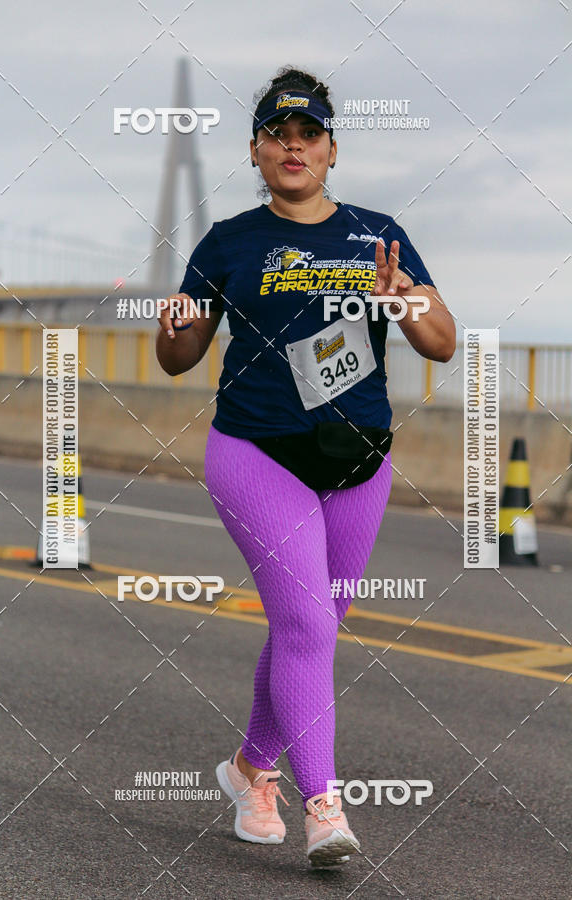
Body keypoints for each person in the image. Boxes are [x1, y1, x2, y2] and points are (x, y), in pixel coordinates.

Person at [155, 65, 455, 868]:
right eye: (278, 136)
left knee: (313, 627)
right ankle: (326, 810)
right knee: (308, 625)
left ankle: (249, 770)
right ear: (256, 152)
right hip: (256, 451)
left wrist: (404, 299)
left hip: (360, 460)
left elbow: (442, 343)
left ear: (331, 151)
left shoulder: (377, 235)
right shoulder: (229, 242)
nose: (294, 147)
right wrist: (174, 327)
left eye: (309, 135)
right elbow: (179, 357)